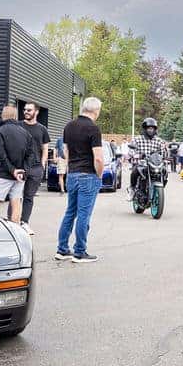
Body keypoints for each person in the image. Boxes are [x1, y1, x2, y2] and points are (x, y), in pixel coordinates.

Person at [56, 97, 104, 263]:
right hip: (88, 175)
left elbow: (66, 150)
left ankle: (62, 249)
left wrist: (71, 168)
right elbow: (98, 158)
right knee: (84, 214)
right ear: (96, 111)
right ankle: (80, 251)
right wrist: (99, 174)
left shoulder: (69, 126)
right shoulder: (93, 129)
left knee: (70, 212)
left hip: (73, 174)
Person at [0, 105, 34, 223]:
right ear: (15, 116)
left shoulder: (0, 131)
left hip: (3, 174)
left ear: (3, 115)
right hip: (20, 176)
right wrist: (24, 171)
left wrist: (12, 170)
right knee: (16, 203)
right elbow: (30, 155)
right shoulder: (26, 133)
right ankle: (16, 230)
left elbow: (1, 153)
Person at [17, 101, 49, 235]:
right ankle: (13, 222)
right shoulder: (18, 126)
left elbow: (45, 148)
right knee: (16, 196)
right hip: (20, 167)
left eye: (29, 110)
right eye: (25, 110)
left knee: (29, 196)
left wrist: (42, 166)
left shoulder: (42, 129)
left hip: (36, 168)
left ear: (36, 112)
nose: (26, 112)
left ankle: (24, 222)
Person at [128, 117, 170, 199]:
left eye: (152, 128)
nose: (151, 130)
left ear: (155, 130)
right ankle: (132, 189)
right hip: (142, 163)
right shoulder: (137, 139)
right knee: (135, 172)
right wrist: (138, 155)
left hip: (154, 164)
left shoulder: (159, 140)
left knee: (165, 171)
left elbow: (163, 151)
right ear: (145, 129)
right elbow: (131, 151)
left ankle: (159, 189)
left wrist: (165, 154)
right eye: (149, 128)